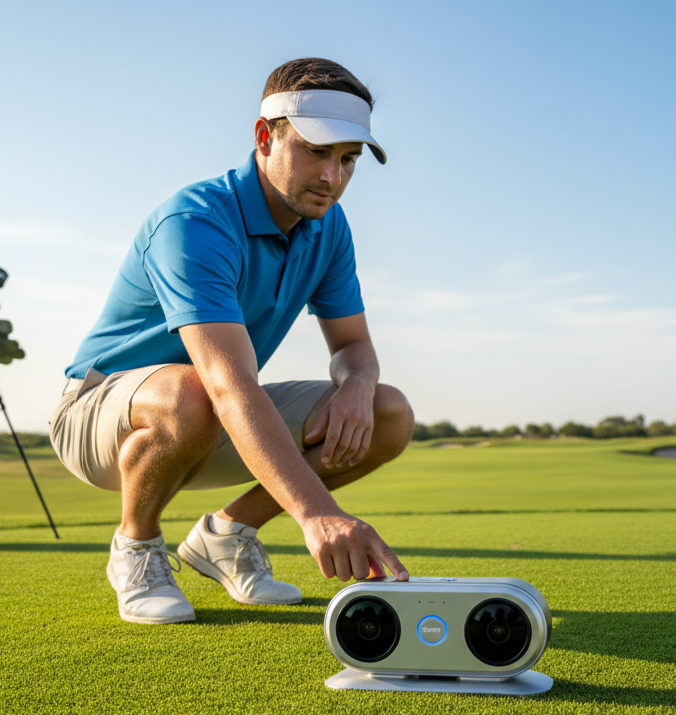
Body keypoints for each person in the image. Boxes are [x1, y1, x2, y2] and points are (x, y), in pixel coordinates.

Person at [50, 58, 412, 625]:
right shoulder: (194, 221)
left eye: (347, 160)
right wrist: (317, 513)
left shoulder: (329, 226)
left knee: (387, 411)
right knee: (190, 391)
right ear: (265, 137)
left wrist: (358, 385)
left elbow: (353, 348)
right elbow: (227, 383)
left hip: (212, 414)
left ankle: (226, 534)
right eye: (316, 151)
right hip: (97, 415)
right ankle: (136, 547)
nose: (332, 178)